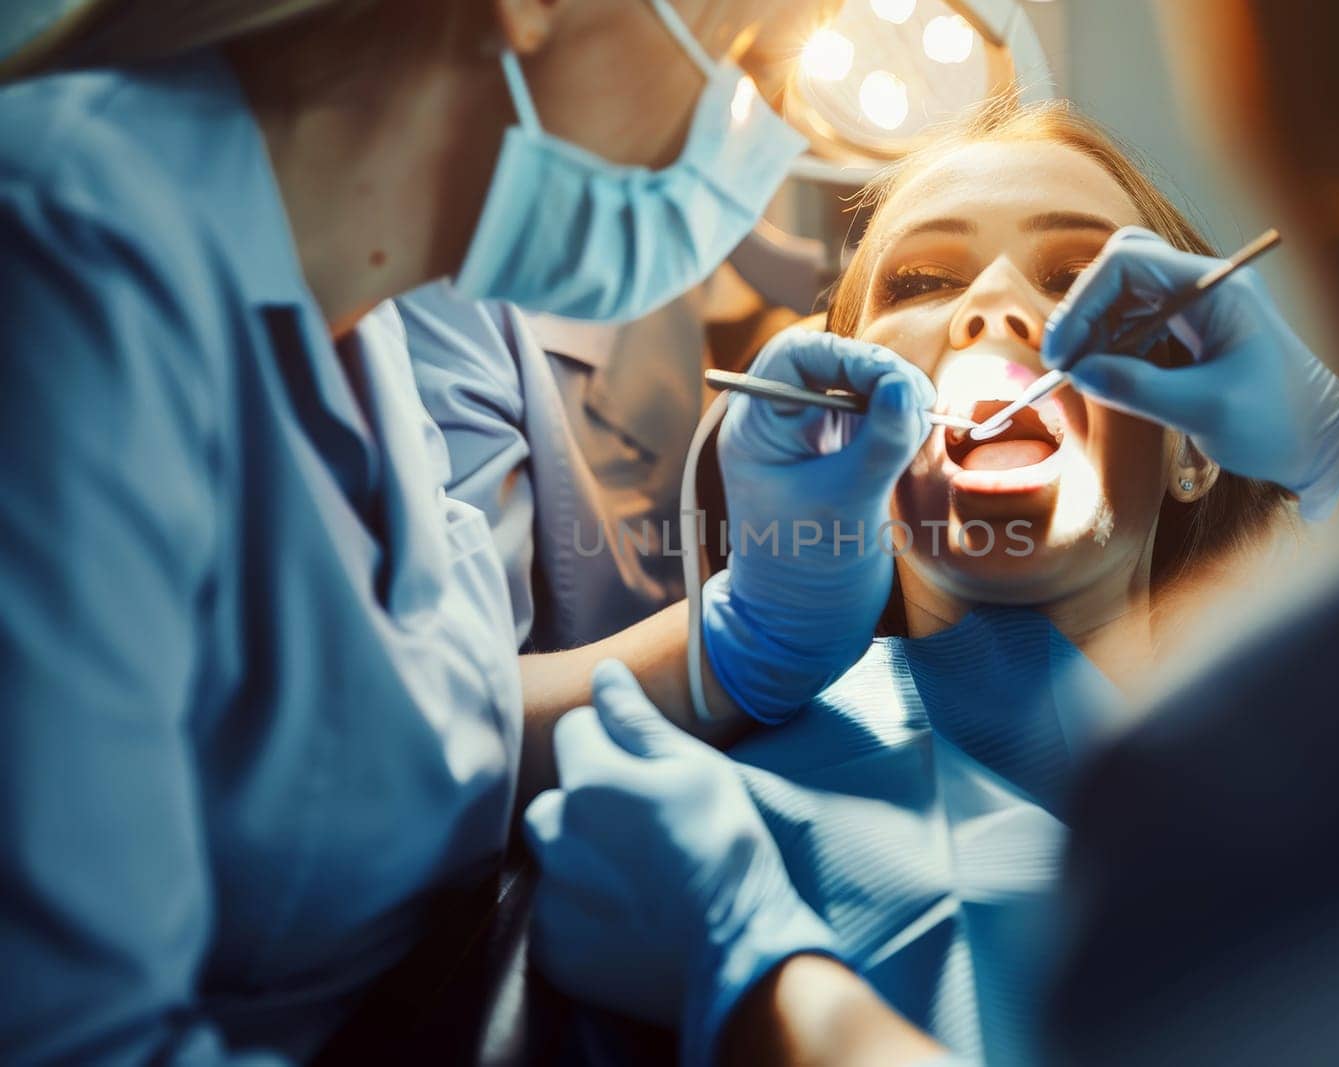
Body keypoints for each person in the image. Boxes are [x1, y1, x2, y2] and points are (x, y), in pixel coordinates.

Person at [519, 1, 1339, 1065]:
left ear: (1195, 440)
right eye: (923, 280)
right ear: (832, 428)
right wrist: (737, 647)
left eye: (1078, 277)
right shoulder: (694, 826)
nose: (993, 305)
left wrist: (1334, 433)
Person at [0, 1, 923, 1063]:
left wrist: (739, 642)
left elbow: (412, 735)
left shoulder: (377, 323)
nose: (748, 143)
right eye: (744, 60)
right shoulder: (67, 263)